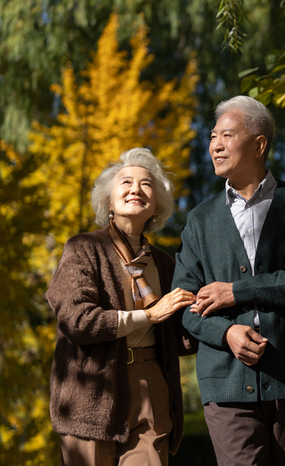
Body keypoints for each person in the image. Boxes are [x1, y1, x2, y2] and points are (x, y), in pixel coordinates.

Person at [173, 95, 285, 466]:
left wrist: (237, 291)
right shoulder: (199, 220)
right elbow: (183, 301)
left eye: (227, 135)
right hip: (225, 381)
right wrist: (225, 333)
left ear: (259, 144)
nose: (214, 144)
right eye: (212, 136)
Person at [46, 148, 198, 466]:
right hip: (90, 391)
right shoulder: (83, 249)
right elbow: (76, 320)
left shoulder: (166, 265)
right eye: (125, 182)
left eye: (147, 184)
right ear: (109, 199)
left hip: (152, 384)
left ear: (157, 203)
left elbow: (182, 338)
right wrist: (148, 315)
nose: (135, 189)